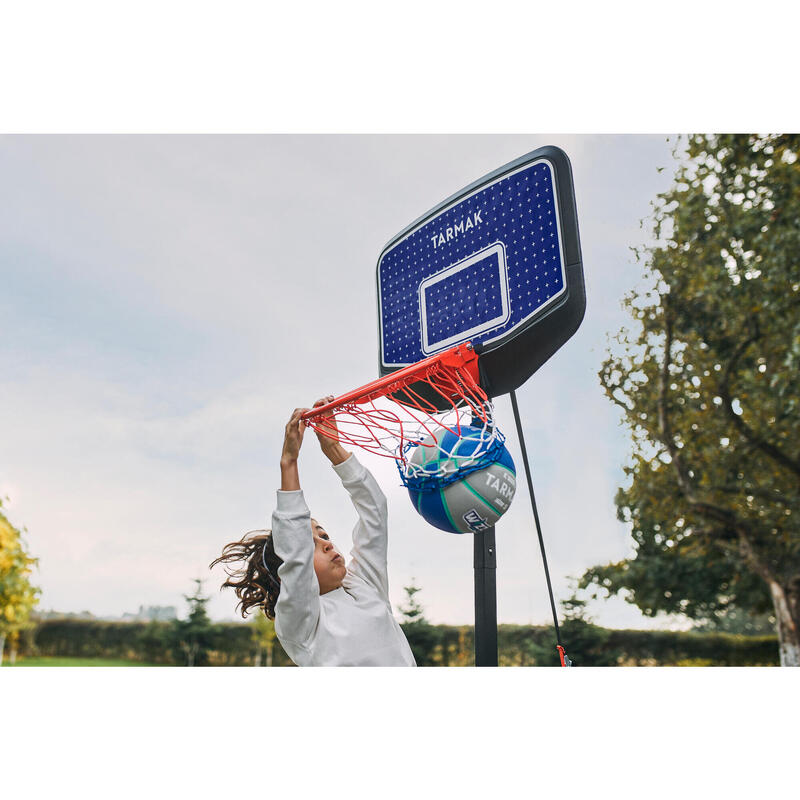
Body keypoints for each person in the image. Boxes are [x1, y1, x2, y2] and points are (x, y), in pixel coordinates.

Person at [210, 398, 416, 667]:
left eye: (325, 536)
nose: (328, 545)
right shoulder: (300, 621)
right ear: (288, 575)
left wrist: (333, 448)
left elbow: (375, 511)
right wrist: (289, 463)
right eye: (312, 544)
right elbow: (295, 554)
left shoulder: (364, 584)